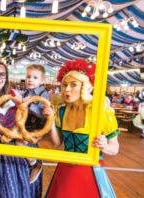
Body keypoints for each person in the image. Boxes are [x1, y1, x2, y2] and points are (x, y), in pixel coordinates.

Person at [43, 59, 120, 198]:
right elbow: (56, 143)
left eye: (73, 85)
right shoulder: (61, 111)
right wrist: (51, 121)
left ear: (87, 87)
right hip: (64, 171)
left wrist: (104, 145)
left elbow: (115, 148)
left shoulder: (101, 112)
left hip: (90, 173)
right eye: (65, 85)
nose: (67, 89)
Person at [0, 62, 42, 197]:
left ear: (6, 77)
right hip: (2, 155)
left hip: (24, 149)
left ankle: (35, 164)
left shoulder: (14, 94)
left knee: (26, 192)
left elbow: (26, 114)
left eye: (2, 74)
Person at [14, 64, 50, 183]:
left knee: (19, 142)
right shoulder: (26, 93)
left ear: (42, 80)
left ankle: (35, 163)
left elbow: (42, 114)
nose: (30, 80)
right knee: (13, 138)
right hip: (26, 124)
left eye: (35, 77)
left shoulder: (43, 94)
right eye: (28, 77)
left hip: (36, 126)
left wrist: (29, 104)